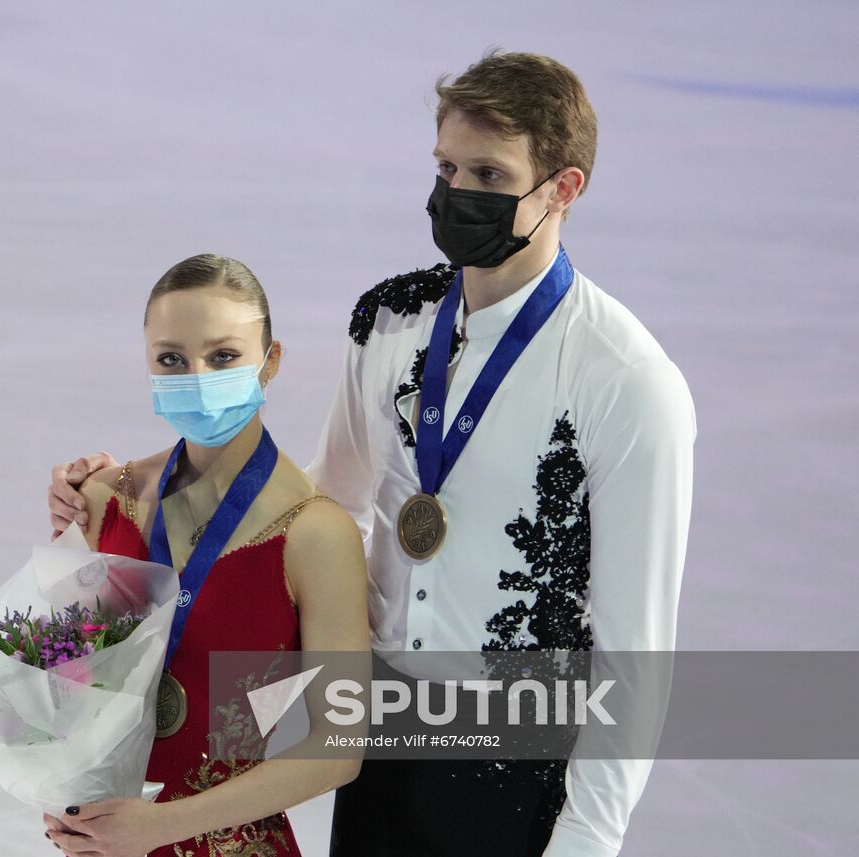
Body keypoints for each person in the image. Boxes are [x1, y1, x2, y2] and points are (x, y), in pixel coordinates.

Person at [50, 52, 696, 857]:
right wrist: (136, 493)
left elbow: (637, 654)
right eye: (447, 167)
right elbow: (321, 512)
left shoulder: (625, 381)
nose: (457, 193)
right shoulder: (390, 320)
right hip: (382, 750)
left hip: (520, 765)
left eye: (489, 175)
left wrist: (587, 840)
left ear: (563, 189)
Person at [42, 253, 370, 857]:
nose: (195, 376)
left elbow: (337, 750)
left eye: (222, 357)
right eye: (172, 358)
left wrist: (160, 827)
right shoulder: (103, 500)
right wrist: (63, 788)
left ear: (270, 362)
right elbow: (74, 671)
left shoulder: (317, 535)